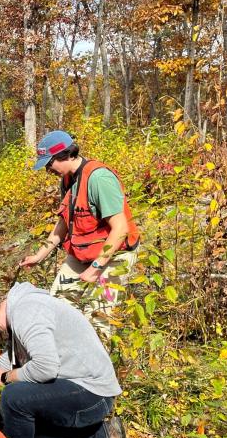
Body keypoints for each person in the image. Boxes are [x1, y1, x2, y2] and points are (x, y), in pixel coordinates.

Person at [0, 284, 128, 438]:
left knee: (13, 397)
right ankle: (104, 436)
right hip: (76, 389)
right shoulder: (19, 310)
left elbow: (45, 368)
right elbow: (10, 356)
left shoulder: (26, 312)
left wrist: (5, 378)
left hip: (93, 394)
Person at [19, 130, 140, 338]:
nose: (48, 170)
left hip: (114, 255)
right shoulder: (67, 180)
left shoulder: (99, 178)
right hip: (82, 252)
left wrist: (96, 268)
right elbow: (63, 223)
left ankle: (96, 367)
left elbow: (120, 229)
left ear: (65, 155)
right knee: (57, 306)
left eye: (50, 164)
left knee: (97, 316)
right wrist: (39, 256)